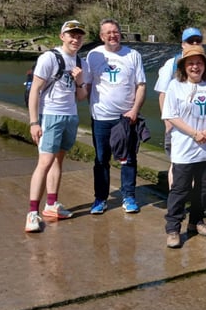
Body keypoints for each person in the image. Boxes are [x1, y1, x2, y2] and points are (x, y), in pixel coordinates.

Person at [25, 20, 89, 232]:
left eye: (79, 36)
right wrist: (34, 122)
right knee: (44, 162)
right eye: (71, 35)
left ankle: (51, 205)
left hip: (70, 116)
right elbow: (35, 90)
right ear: (62, 36)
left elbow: (81, 96)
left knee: (58, 161)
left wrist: (79, 80)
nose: (75, 39)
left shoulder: (81, 61)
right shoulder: (49, 58)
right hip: (50, 116)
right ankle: (32, 213)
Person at [161, 41, 206, 248]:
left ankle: (196, 221)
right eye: (191, 63)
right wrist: (194, 133)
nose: (195, 67)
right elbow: (171, 115)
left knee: (203, 189)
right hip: (184, 148)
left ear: (205, 65)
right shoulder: (175, 86)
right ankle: (173, 228)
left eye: (199, 63)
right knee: (179, 190)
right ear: (183, 66)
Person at [84, 18, 146, 215]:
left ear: (121, 33)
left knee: (127, 159)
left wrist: (135, 110)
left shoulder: (133, 55)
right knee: (101, 159)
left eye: (116, 31)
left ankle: (129, 197)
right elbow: (87, 85)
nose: (113, 35)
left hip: (126, 118)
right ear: (102, 36)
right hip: (101, 117)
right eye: (108, 33)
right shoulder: (93, 55)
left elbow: (141, 85)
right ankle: (100, 199)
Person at [154, 28, 206, 189]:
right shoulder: (171, 64)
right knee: (176, 165)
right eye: (190, 41)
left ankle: (193, 201)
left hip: (204, 130)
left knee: (199, 168)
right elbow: (163, 94)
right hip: (178, 125)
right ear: (183, 44)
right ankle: (176, 201)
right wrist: (168, 122)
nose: (194, 44)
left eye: (198, 40)